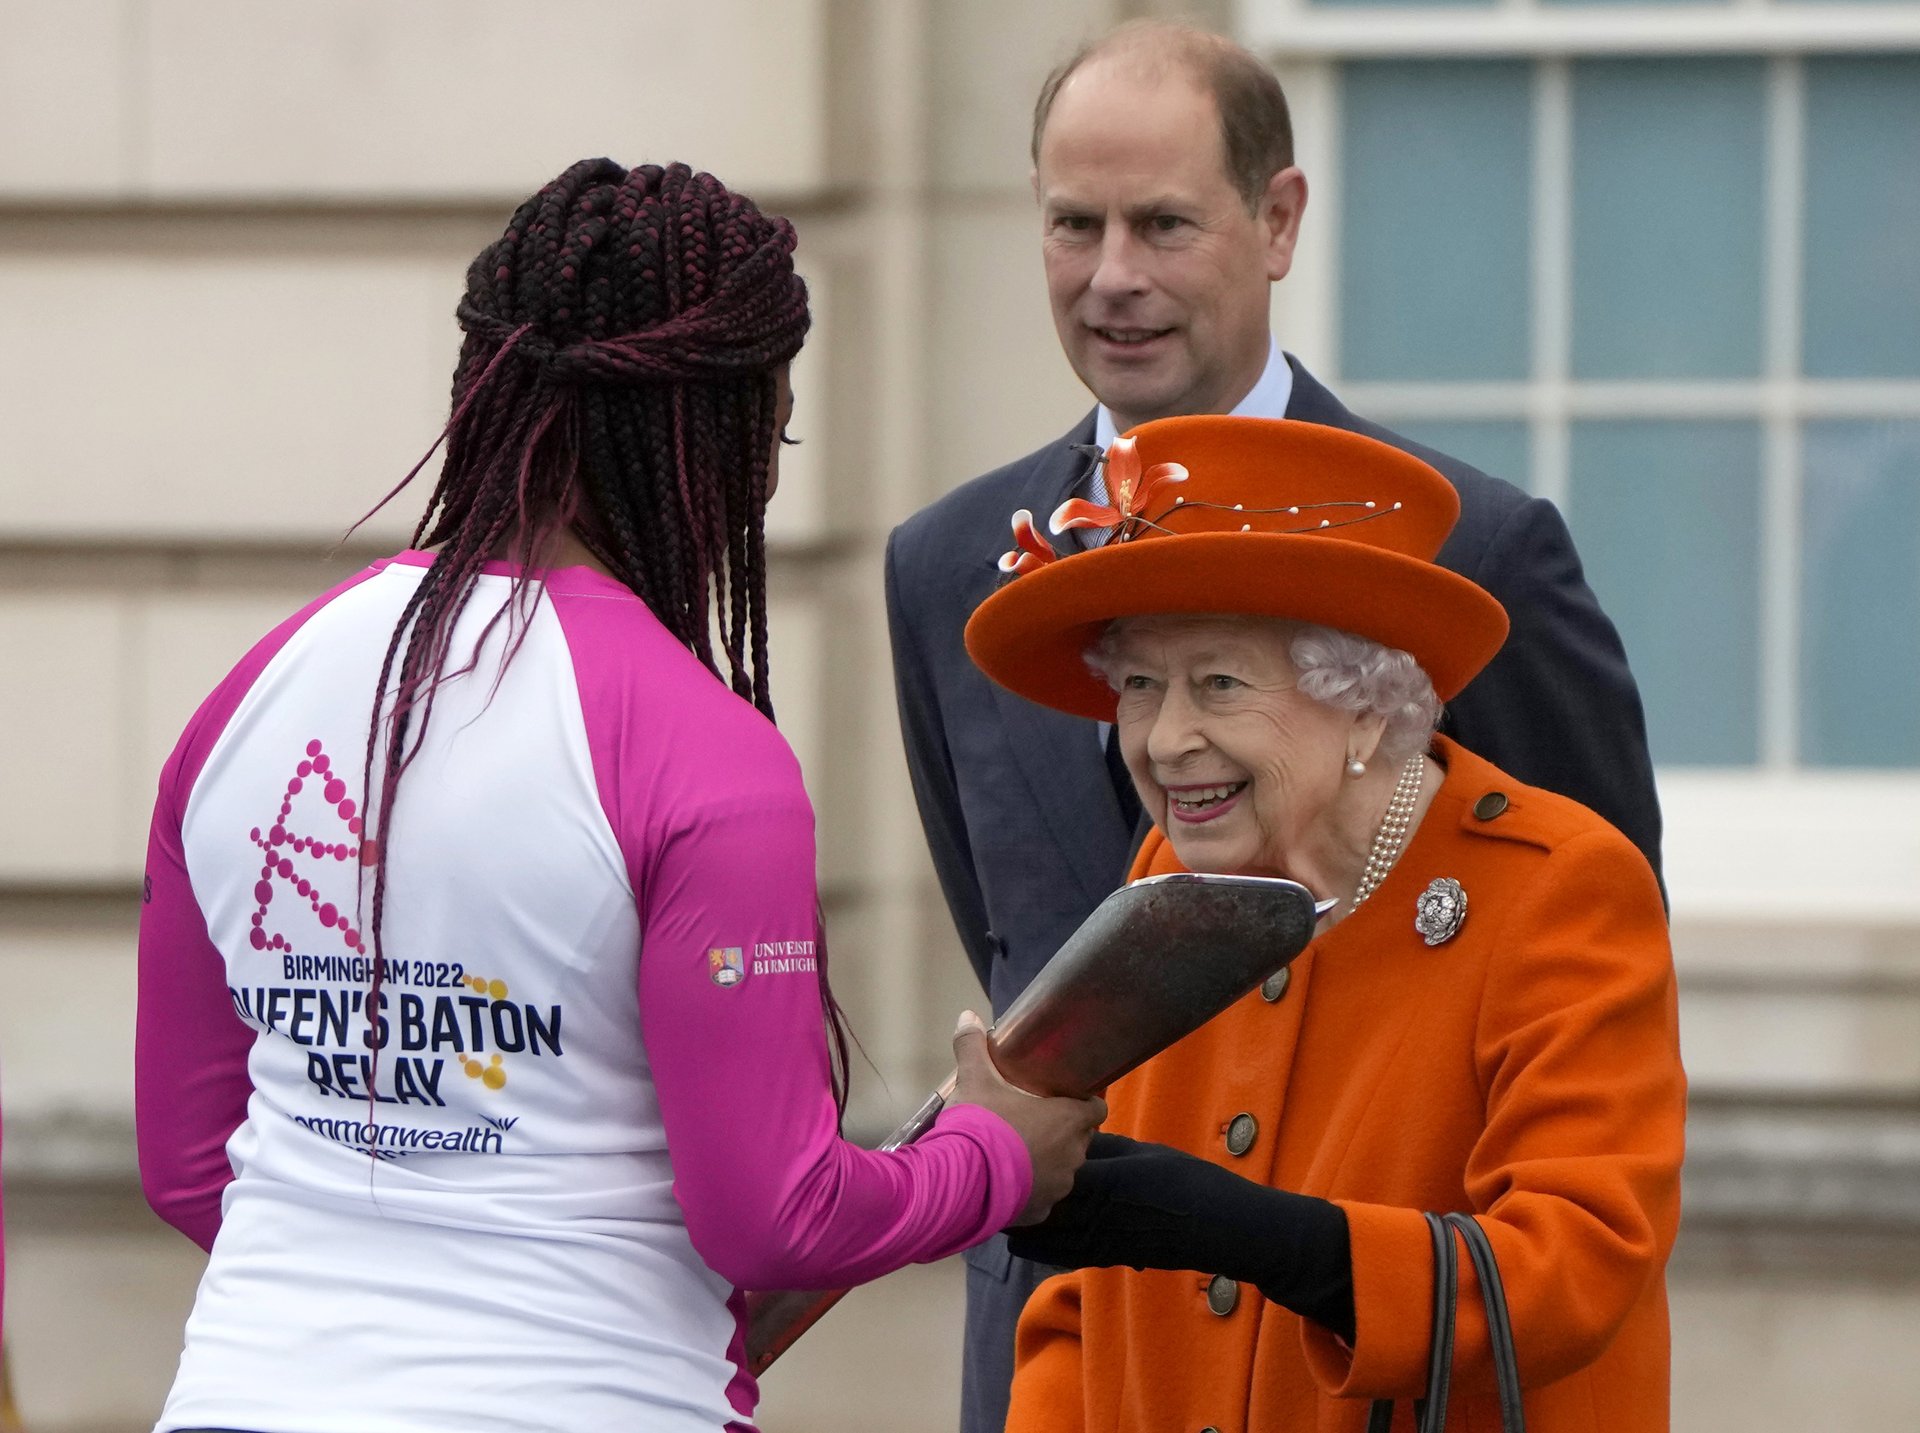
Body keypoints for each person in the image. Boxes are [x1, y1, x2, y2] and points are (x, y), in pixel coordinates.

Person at [135, 157, 1103, 1433]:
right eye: (776, 428)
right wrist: (993, 1154)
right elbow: (776, 1213)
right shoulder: (704, 754)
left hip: (240, 1394)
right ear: (723, 430)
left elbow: (189, 1160)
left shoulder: (250, 698)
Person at [882, 22, 1664, 1429]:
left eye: (1165, 221)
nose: (1114, 273)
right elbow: (1012, 941)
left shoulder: (1472, 556)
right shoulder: (943, 566)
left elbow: (1592, 1090)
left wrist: (1269, 1240)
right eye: (1075, 222)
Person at [965, 415, 1685, 1432]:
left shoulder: (1557, 887)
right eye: (1139, 685)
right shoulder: (1173, 873)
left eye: (1218, 680)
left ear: (1363, 699)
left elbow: (1581, 1259)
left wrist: (1280, 1242)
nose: (1167, 739)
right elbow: (1085, 1308)